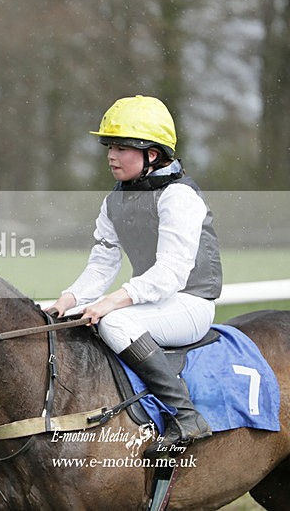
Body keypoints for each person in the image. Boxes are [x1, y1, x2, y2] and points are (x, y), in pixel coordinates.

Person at [47, 95, 222, 458]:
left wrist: (111, 302)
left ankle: (186, 416)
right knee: (80, 321)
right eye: (109, 146)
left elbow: (171, 273)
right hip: (155, 302)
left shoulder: (179, 197)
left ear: (152, 155)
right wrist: (68, 300)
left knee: (113, 322)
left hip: (191, 304)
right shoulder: (114, 200)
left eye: (122, 147)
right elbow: (102, 265)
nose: (111, 155)